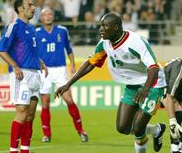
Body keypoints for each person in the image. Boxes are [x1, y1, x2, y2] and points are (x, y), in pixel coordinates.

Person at [55, 12, 166, 153]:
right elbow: (91, 63)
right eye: (101, 25)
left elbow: (153, 68)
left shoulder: (135, 42)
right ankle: (156, 130)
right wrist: (68, 84)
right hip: (133, 85)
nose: (101, 29)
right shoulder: (104, 44)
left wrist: (145, 89)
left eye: (105, 26)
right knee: (122, 127)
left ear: (116, 27)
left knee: (138, 127)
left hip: (153, 84)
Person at [0, 0, 48, 153]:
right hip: (22, 75)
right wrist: (15, 66)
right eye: (29, 5)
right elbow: (1, 49)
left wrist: (41, 62)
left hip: (35, 74)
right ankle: (13, 150)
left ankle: (25, 150)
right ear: (20, 9)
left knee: (30, 115)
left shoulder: (32, 28)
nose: (33, 7)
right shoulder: (13, 26)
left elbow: (29, 50)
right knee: (21, 114)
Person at [36, 8, 88, 142]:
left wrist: (72, 64)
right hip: (44, 71)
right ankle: (46, 134)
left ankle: (81, 130)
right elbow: (33, 52)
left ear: (53, 17)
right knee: (45, 103)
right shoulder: (36, 33)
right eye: (44, 15)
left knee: (69, 100)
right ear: (41, 19)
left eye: (49, 14)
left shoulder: (62, 30)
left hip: (60, 70)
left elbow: (69, 49)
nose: (47, 16)